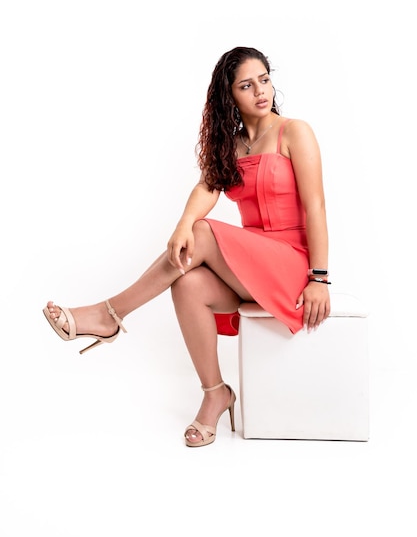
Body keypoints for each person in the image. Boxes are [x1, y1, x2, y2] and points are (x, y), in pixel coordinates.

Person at [43, 46, 331, 447]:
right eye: (247, 85)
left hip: (292, 267)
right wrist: (182, 223)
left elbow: (316, 206)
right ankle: (215, 394)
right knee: (188, 284)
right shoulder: (231, 146)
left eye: (264, 79)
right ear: (229, 96)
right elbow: (207, 186)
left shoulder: (294, 132)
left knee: (205, 232)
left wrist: (320, 278)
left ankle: (109, 315)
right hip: (252, 267)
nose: (260, 91)